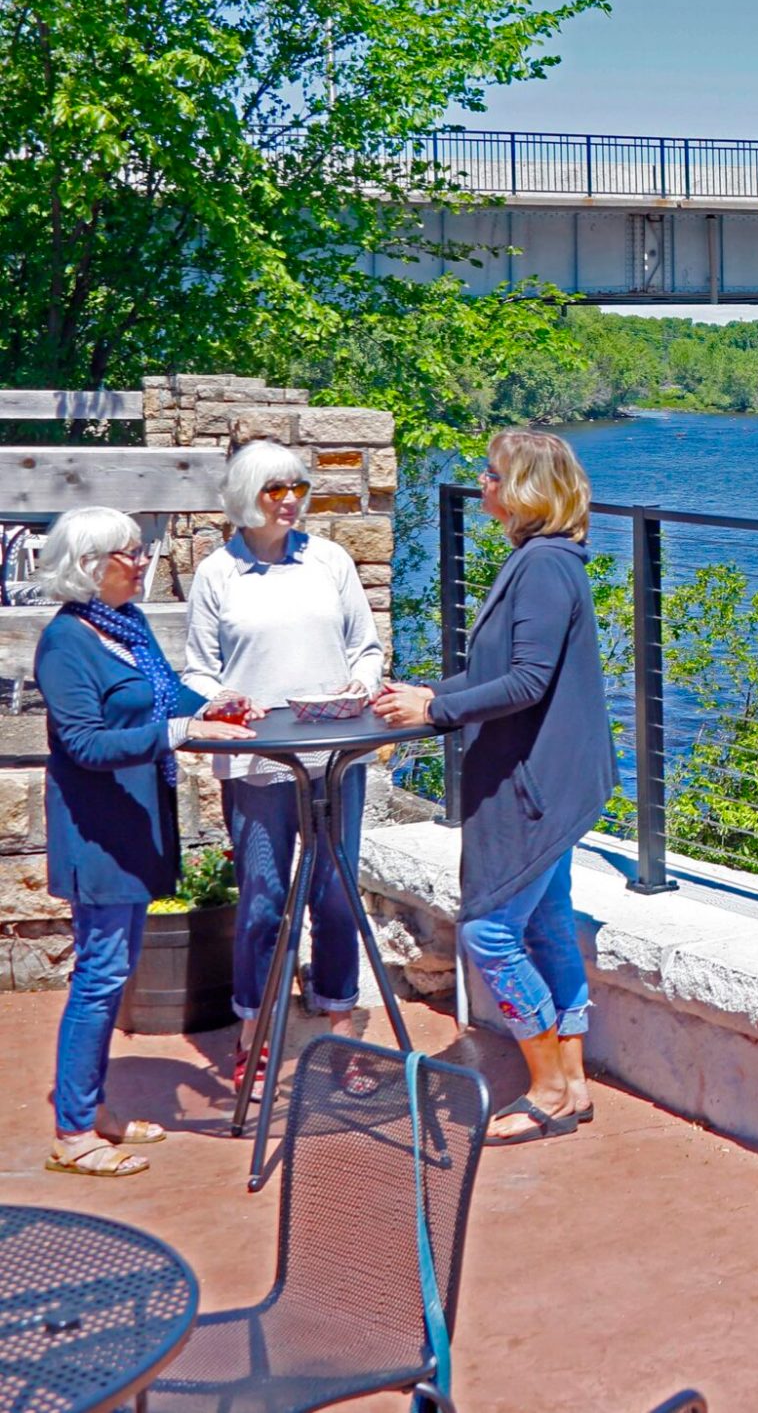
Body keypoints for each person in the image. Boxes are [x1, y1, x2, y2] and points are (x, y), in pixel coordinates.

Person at [374, 431, 614, 1145]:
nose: (481, 483)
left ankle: (544, 1088)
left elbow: (527, 683)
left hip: (534, 784)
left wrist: (436, 712)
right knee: (543, 925)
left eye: (492, 474)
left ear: (524, 491)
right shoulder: (544, 560)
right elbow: (500, 672)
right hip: (552, 779)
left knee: (489, 932)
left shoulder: (541, 567)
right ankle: (571, 1084)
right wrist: (428, 693)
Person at [34, 507, 256, 1177]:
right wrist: (180, 736)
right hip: (96, 834)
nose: (142, 563)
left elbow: (165, 700)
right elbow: (83, 744)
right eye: (128, 554)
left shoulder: (124, 626)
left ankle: (93, 1109)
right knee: (100, 977)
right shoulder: (65, 643)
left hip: (133, 828)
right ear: (89, 566)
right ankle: (73, 1134)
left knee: (113, 970)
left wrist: (211, 708)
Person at [185, 440, 385, 1090]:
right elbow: (198, 669)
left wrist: (360, 685)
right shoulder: (218, 573)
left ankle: (339, 1031)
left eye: (297, 486)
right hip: (256, 762)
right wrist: (217, 699)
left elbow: (367, 648)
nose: (291, 500)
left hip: (334, 756)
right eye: (275, 489)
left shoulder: (330, 561)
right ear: (247, 496)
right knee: (264, 902)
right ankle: (255, 1035)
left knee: (335, 894)